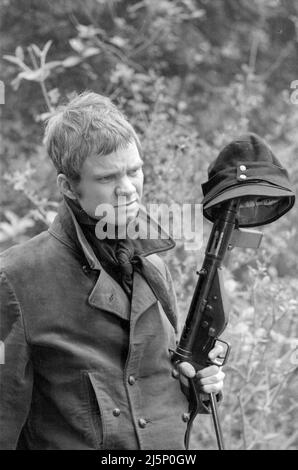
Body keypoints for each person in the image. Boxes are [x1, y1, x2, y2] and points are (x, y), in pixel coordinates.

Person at [0, 92, 225, 450]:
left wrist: (197, 382)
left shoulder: (154, 268)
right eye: (107, 178)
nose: (127, 190)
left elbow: (157, 393)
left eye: (134, 171)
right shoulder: (17, 278)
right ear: (68, 188)